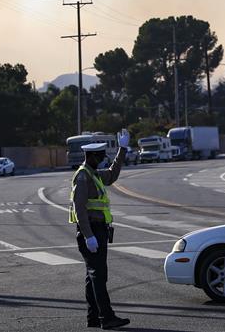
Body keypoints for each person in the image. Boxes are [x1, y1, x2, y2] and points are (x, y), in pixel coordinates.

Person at [70, 130, 132, 330]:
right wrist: (89, 236)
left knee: (92, 276)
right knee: (99, 275)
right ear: (93, 156)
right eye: (101, 156)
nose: (104, 160)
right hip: (92, 231)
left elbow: (112, 175)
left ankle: (94, 318)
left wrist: (122, 149)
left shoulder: (93, 174)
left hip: (99, 230)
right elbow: (79, 207)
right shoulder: (83, 176)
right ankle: (107, 318)